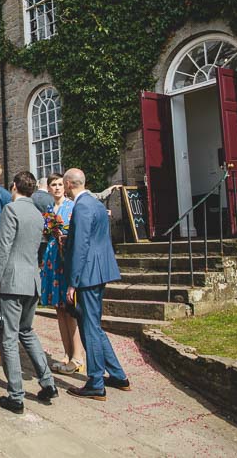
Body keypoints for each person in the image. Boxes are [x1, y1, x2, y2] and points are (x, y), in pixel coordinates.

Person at [0, 171, 58, 414]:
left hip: (12, 280)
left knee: (8, 337)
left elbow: (4, 246)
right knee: (27, 331)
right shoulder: (38, 215)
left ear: (15, 186)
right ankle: (48, 382)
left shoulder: (11, 209)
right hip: (32, 280)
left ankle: (16, 395)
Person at [63, 168, 131, 400]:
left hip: (87, 274)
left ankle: (95, 381)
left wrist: (73, 282)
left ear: (70, 184)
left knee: (89, 327)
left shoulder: (81, 207)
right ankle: (118, 375)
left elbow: (81, 245)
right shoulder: (95, 204)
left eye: (63, 184)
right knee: (94, 324)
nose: (63, 188)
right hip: (100, 270)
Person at [40, 172, 85, 375]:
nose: (57, 188)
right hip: (51, 258)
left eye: (60, 184)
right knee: (58, 309)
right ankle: (66, 354)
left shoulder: (72, 206)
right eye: (53, 185)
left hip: (65, 259)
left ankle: (77, 356)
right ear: (48, 188)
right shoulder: (49, 209)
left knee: (70, 309)